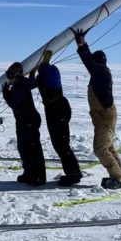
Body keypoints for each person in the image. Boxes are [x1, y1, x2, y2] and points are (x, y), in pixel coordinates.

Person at [72, 28, 121, 189]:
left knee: (101, 149)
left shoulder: (100, 72)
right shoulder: (100, 72)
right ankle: (120, 178)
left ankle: (117, 178)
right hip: (105, 116)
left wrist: (82, 44)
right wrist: (81, 43)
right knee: (108, 148)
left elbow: (88, 61)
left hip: (105, 117)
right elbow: (90, 62)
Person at [29, 50, 82, 186]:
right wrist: (35, 72)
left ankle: (73, 174)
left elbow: (35, 82)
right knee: (60, 142)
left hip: (56, 108)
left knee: (61, 143)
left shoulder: (49, 72)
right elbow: (34, 83)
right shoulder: (48, 73)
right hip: (57, 108)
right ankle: (73, 172)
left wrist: (37, 69)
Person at [2, 62, 46, 186]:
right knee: (24, 148)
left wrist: (6, 94)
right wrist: (32, 74)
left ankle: (38, 176)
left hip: (28, 120)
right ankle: (29, 173)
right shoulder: (22, 82)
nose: (9, 76)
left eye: (10, 74)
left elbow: (13, 103)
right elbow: (32, 83)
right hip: (24, 120)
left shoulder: (19, 85)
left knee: (32, 148)